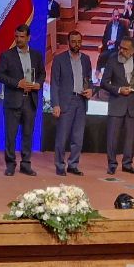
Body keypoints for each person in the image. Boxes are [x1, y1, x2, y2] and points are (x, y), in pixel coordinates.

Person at [0, 24, 46, 176]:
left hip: (30, 101)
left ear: (28, 38)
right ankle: (10, 164)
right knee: (11, 135)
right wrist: (17, 83)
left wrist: (38, 84)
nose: (18, 39)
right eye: (17, 36)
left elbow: (42, 74)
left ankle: (26, 164)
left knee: (27, 134)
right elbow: (0, 75)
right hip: (13, 100)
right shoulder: (7, 55)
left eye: (22, 37)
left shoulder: (37, 55)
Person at [101, 38, 134, 174]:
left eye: (125, 49)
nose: (121, 51)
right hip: (116, 104)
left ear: (132, 51)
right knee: (112, 137)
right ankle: (112, 164)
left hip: (133, 107)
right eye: (120, 47)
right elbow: (104, 83)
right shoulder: (112, 60)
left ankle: (127, 164)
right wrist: (118, 90)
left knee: (130, 138)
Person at [50, 30, 93, 176]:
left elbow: (89, 80)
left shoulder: (86, 59)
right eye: (73, 41)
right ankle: (60, 165)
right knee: (62, 137)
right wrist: (55, 104)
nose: (76, 44)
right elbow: (54, 83)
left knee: (78, 137)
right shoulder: (59, 59)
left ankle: (73, 165)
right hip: (65, 102)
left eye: (79, 41)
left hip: (81, 101)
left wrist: (90, 89)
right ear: (68, 42)